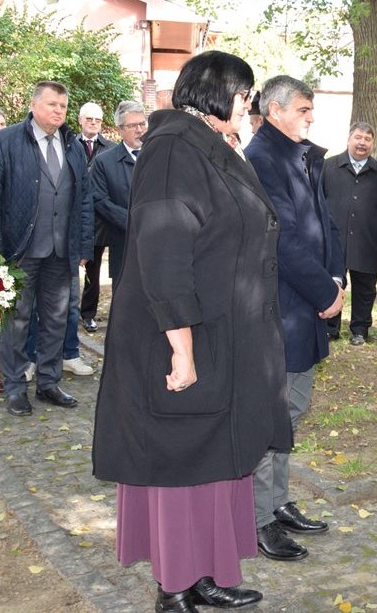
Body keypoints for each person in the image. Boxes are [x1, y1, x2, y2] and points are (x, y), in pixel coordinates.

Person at [94, 51, 290, 612]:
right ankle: (174, 585)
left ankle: (206, 572)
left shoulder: (211, 144)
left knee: (217, 458)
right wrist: (181, 349)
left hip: (222, 332)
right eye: (243, 93)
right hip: (180, 334)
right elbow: (163, 254)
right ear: (214, 91)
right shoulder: (172, 149)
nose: (247, 104)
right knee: (182, 460)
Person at [244, 74, 343, 562]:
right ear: (276, 110)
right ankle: (258, 518)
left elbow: (323, 222)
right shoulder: (262, 157)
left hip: (307, 302)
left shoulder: (299, 154)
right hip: (281, 307)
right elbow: (281, 236)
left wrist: (336, 277)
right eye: (304, 109)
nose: (311, 117)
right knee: (273, 417)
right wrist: (324, 290)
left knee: (293, 409)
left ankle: (277, 502)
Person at [0, 81, 92, 417]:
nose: (59, 110)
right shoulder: (5, 141)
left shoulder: (73, 145)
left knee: (56, 320)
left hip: (61, 252)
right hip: (19, 251)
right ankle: (15, 387)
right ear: (33, 104)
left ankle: (48, 382)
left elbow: (84, 200)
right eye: (52, 104)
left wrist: (83, 246)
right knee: (17, 321)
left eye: (63, 106)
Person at [323, 122, 377, 345]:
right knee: (331, 283)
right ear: (349, 139)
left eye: (367, 139)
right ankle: (330, 328)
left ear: (373, 144)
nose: (362, 143)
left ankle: (360, 329)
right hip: (333, 238)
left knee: (365, 287)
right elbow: (317, 200)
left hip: (366, 238)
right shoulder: (329, 167)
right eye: (358, 137)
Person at [89, 101, 144, 293]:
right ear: (120, 129)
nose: (139, 130)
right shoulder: (104, 162)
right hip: (123, 246)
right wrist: (133, 222)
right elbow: (100, 201)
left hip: (157, 246)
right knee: (125, 301)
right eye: (133, 125)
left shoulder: (158, 155)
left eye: (142, 124)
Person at [73, 102, 117, 333]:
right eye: (89, 119)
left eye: (97, 120)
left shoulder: (110, 149)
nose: (93, 123)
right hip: (73, 218)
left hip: (100, 220)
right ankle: (68, 312)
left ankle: (88, 313)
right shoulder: (69, 145)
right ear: (80, 120)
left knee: (94, 269)